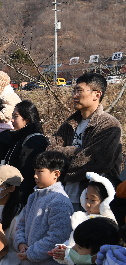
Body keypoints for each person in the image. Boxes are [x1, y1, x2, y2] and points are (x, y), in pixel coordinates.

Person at [48, 72, 123, 211]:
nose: (74, 95)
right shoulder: (69, 124)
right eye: (74, 90)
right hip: (63, 196)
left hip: (93, 202)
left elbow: (92, 163)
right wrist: (77, 152)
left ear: (97, 94)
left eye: (80, 90)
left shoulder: (109, 125)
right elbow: (49, 152)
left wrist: (60, 168)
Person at [13, 151, 74, 265]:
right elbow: (21, 223)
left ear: (56, 174)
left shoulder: (59, 201)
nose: (35, 175)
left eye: (40, 171)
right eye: (35, 171)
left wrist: (31, 253)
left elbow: (57, 237)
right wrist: (21, 243)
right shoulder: (34, 196)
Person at [49, 172, 118, 265]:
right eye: (86, 198)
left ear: (107, 201)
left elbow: (91, 258)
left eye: (93, 200)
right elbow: (74, 242)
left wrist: (68, 255)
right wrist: (63, 248)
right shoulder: (84, 218)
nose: (87, 204)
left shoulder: (106, 227)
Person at [3, 101, 49, 204]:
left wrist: (20, 201)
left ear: (27, 119)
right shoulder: (19, 138)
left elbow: (27, 175)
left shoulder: (33, 141)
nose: (12, 120)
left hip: (23, 198)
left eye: (15, 116)